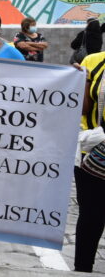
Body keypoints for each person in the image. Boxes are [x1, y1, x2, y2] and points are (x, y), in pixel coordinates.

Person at [76, 51, 105, 273]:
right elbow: (84, 108)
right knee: (90, 216)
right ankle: (83, 268)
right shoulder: (94, 61)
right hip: (94, 153)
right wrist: (76, 82)